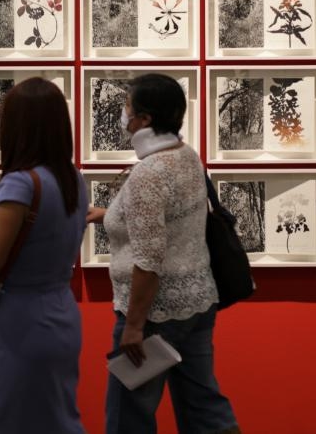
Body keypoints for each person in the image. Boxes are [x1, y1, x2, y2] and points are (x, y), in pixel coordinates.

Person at [89, 73, 240, 434]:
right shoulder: (186, 156)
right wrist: (104, 215)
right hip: (198, 302)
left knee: (130, 416)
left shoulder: (148, 174)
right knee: (204, 408)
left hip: (154, 314)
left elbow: (149, 259)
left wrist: (135, 328)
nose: (123, 114)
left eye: (127, 107)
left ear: (144, 120)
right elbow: (171, 221)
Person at [0, 77, 87, 434]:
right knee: (56, 420)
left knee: (3, 420)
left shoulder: (20, 184)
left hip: (20, 322)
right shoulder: (74, 179)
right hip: (61, 313)